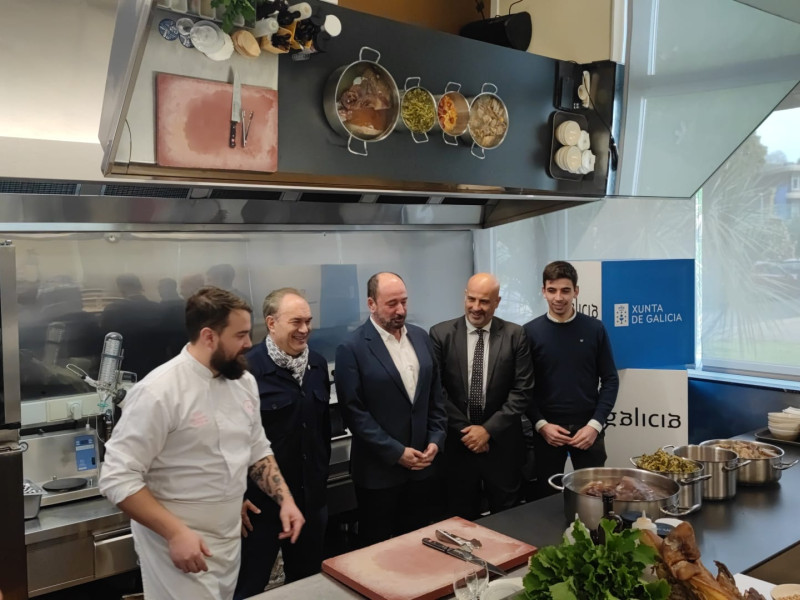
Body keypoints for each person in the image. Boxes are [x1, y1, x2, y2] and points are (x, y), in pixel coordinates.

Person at [99, 286, 305, 600]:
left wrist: (285, 500)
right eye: (240, 335)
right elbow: (116, 476)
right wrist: (175, 532)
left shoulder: (243, 382)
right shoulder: (159, 391)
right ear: (209, 336)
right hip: (178, 546)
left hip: (228, 541)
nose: (249, 344)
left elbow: (256, 449)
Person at [335, 272, 447, 546]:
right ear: (371, 304)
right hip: (379, 473)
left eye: (404, 302)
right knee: (379, 548)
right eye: (392, 303)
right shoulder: (352, 348)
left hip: (423, 465)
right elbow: (354, 412)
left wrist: (436, 439)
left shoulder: (420, 338)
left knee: (420, 541)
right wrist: (396, 453)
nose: (401, 310)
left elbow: (435, 396)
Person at [235, 288, 331, 599]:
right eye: (296, 322)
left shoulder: (316, 365)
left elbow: (323, 430)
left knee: (307, 584)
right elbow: (230, 441)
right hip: (260, 507)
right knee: (251, 585)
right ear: (271, 323)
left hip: (309, 501)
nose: (304, 330)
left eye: (308, 321)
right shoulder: (246, 370)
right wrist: (234, 497)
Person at [429, 273, 534, 520]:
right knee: (460, 523)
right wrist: (469, 432)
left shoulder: (515, 335)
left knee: (509, 521)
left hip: (502, 448)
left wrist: (487, 430)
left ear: (497, 302)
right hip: (458, 447)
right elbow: (436, 391)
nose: (476, 308)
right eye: (472, 299)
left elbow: (522, 391)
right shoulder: (440, 334)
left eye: (484, 302)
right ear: (465, 296)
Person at [523, 261, 619, 499]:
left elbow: (610, 380)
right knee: (545, 501)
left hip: (588, 431)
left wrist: (594, 426)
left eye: (566, 290)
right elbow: (523, 387)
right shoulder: (529, 333)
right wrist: (541, 425)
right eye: (552, 290)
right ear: (543, 291)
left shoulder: (595, 329)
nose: (559, 297)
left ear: (576, 291)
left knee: (596, 499)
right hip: (547, 433)